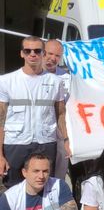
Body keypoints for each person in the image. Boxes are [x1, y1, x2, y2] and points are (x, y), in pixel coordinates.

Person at [0, 36, 68, 187]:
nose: (32, 54)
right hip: (16, 144)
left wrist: (66, 141)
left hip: (45, 143)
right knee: (13, 188)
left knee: (43, 187)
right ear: (22, 53)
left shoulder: (55, 82)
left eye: (37, 50)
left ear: (43, 54)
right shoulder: (6, 81)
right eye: (28, 50)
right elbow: (1, 120)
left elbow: (61, 115)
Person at [42, 39, 71, 180]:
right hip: (39, 133)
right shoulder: (32, 75)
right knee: (41, 170)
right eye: (50, 53)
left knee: (60, 171)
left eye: (57, 56)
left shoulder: (67, 78)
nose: (53, 58)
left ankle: (55, 201)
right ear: (43, 52)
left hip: (60, 131)